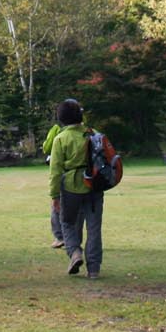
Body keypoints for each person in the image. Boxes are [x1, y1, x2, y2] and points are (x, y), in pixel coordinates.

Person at [47, 98, 102, 279]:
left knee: (67, 223)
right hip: (94, 185)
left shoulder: (61, 139)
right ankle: (93, 269)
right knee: (94, 228)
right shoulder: (93, 133)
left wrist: (54, 196)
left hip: (71, 187)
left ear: (61, 118)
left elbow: (55, 171)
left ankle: (74, 252)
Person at [41, 98, 81, 249]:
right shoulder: (85, 131)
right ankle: (73, 239)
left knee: (57, 208)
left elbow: (46, 147)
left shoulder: (57, 131)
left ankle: (60, 237)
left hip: (64, 177)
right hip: (83, 179)